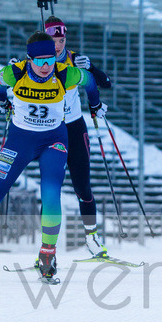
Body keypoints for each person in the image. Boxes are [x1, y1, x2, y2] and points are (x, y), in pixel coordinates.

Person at [0, 31, 104, 281]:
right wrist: (2, 101)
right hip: (20, 140)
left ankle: (47, 254)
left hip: (54, 141)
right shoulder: (15, 72)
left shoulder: (64, 73)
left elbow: (89, 80)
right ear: (29, 59)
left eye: (50, 59)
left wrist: (94, 104)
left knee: (51, 192)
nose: (45, 66)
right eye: (39, 61)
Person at [45, 16, 113, 258]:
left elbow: (105, 83)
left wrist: (91, 67)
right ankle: (47, 248)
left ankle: (91, 238)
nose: (57, 46)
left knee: (82, 186)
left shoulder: (74, 59)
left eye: (61, 41)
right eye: (53, 41)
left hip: (74, 127)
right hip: (50, 131)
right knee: (51, 190)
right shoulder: (36, 61)